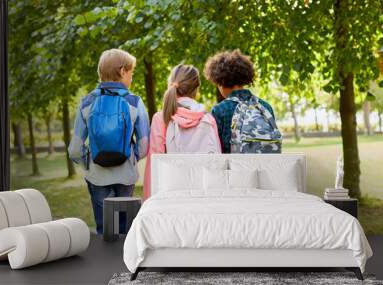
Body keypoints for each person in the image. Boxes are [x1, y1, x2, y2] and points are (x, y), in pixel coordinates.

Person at [68, 49, 150, 234]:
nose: (131, 77)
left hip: (97, 176)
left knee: (105, 231)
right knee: (126, 231)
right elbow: (144, 145)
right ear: (122, 71)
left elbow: (74, 149)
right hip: (125, 175)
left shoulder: (86, 102)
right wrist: (130, 157)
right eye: (131, 73)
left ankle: (105, 259)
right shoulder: (135, 102)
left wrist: (89, 163)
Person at [143, 64, 221, 199]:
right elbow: (217, 160)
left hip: (171, 194)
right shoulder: (208, 119)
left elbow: (155, 164)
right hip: (202, 195)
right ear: (196, 89)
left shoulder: (161, 118)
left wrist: (149, 200)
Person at [204, 49, 281, 154]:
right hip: (264, 168)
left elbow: (215, 149)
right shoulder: (265, 107)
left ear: (221, 81)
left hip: (234, 167)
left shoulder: (220, 110)